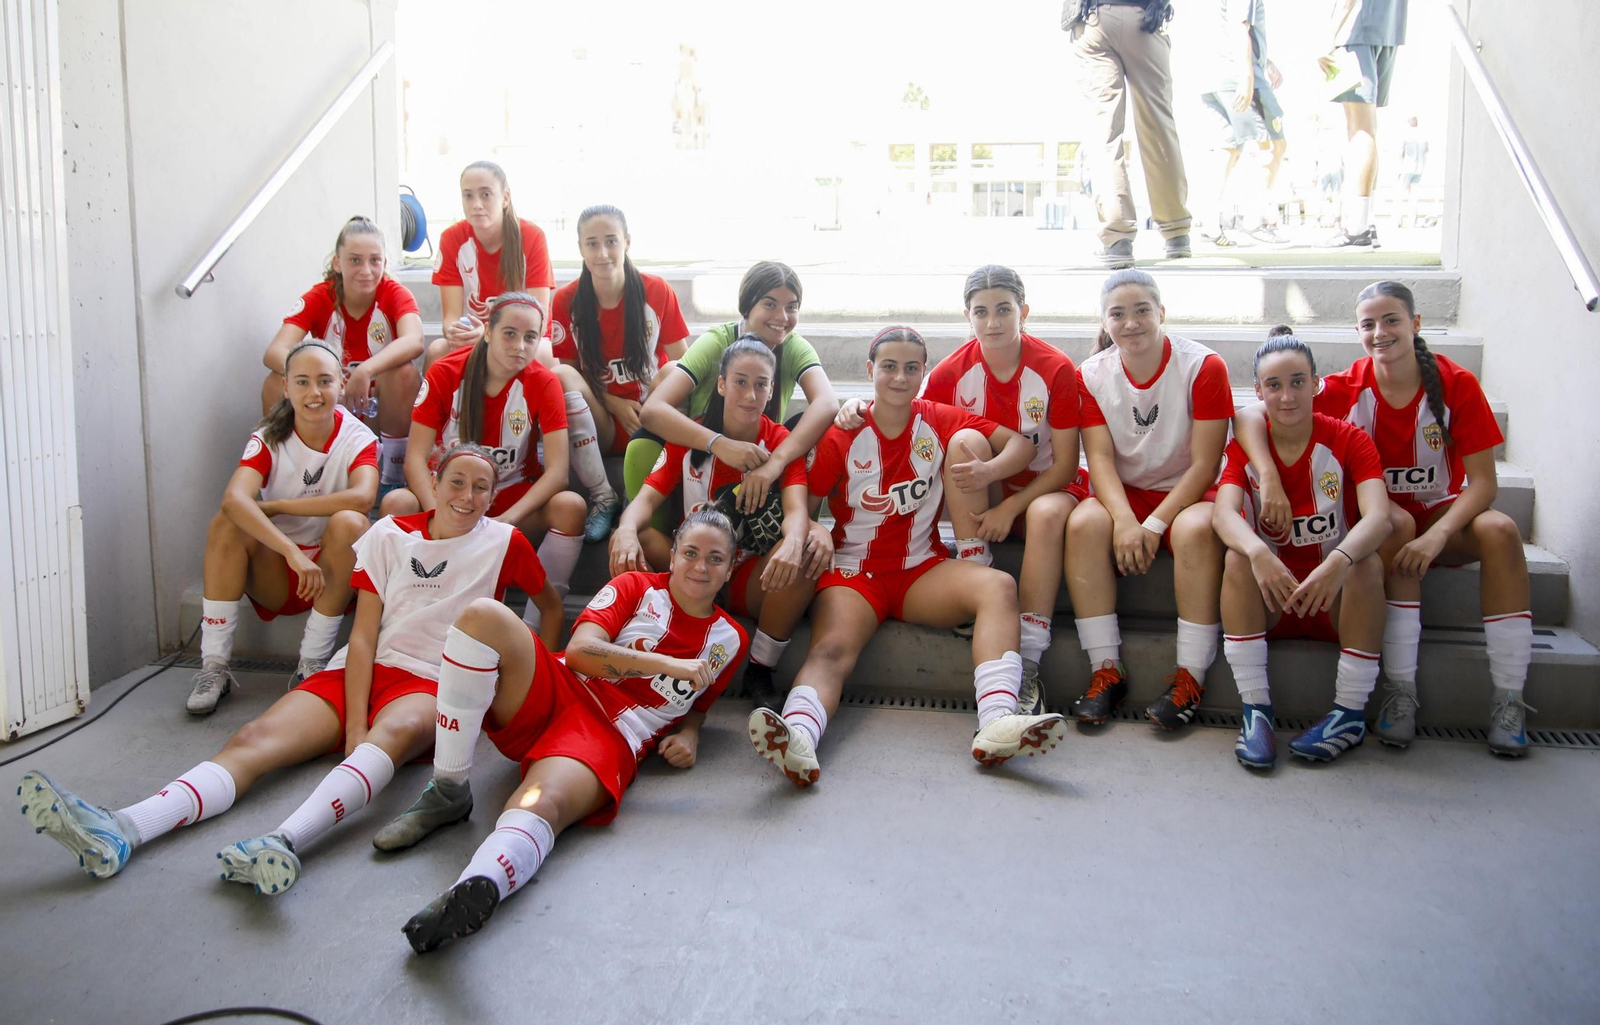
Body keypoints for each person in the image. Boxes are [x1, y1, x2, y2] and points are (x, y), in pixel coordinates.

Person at [18, 445, 563, 892]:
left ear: (494, 496)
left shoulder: (504, 541)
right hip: (364, 668)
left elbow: (551, 607)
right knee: (254, 738)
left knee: (392, 734)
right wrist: (354, 722)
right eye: (457, 482)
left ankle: (282, 843)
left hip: (431, 683)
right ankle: (123, 828)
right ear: (435, 484)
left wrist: (536, 678)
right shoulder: (390, 534)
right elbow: (364, 633)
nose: (468, 496)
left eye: (482, 487)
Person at [384, 510, 747, 954]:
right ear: (672, 556)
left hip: (610, 735)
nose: (701, 567)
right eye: (690, 553)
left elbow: (699, 703)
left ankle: (478, 885)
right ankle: (448, 788)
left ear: (731, 568)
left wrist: (690, 733)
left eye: (715, 559)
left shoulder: (730, 640)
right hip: (558, 688)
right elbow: (579, 653)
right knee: (482, 616)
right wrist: (666, 664)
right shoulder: (634, 587)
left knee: (543, 801)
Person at [748, 327, 1068, 788]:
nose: (900, 377)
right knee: (831, 648)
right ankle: (798, 736)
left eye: (911, 368)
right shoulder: (844, 432)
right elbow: (807, 505)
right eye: (889, 367)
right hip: (855, 573)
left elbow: (1022, 444)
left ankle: (998, 721)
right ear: (869, 370)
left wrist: (988, 470)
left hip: (921, 571)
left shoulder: (938, 418)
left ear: (924, 373)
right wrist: (815, 531)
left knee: (999, 585)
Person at [1235, 281, 1533, 755]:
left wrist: (1438, 536)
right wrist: (1268, 474)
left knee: (1501, 529)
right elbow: (1254, 415)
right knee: (1394, 522)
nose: (1380, 332)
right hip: (1381, 524)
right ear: (1357, 332)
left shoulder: (1456, 384)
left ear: (1416, 324)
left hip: (1438, 517)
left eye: (1391, 320)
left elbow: (1484, 485)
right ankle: (1400, 690)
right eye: (1368, 324)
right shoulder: (1345, 387)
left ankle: (1509, 699)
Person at [834, 266, 1086, 715]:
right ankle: (975, 563)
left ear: (1024, 312)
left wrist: (1011, 505)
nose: (993, 322)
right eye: (981, 312)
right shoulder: (951, 372)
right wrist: (855, 405)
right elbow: (912, 418)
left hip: (1044, 488)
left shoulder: (1055, 367)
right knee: (965, 440)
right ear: (967, 316)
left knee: (1046, 515)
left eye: (1004, 310)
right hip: (979, 496)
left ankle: (1028, 663)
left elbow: (1066, 465)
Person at [611, 338, 829, 710]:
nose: (750, 394)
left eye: (761, 384)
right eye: (740, 382)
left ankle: (760, 668)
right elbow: (644, 502)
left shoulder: (780, 442)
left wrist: (795, 539)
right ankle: (639, 641)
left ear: (771, 391)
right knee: (634, 537)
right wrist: (626, 530)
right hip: (692, 567)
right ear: (722, 384)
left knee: (804, 550)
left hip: (748, 576)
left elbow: (796, 511)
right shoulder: (691, 435)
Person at [1213, 334, 1393, 768]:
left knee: (1366, 563)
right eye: (1274, 385)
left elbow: (1379, 518)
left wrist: (1338, 561)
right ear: (1259, 392)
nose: (1287, 396)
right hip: (1274, 600)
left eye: (1297, 382)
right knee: (1238, 556)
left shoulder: (1349, 439)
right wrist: (1259, 552)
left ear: (1316, 383)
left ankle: (1349, 715)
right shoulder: (1245, 448)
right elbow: (1223, 515)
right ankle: (1256, 711)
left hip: (1332, 599)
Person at [1065, 270, 1230, 729]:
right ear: (1104, 321)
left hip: (1188, 492)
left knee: (1196, 530)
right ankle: (1106, 670)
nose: (1131, 323)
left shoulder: (1203, 366)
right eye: (1117, 314)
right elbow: (1099, 459)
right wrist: (1123, 520)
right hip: (1126, 492)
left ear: (1162, 313)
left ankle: (1190, 677)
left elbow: (1206, 464)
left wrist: (1153, 525)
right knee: (1083, 524)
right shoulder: (1091, 374)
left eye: (1142, 311)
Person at [190, 340, 379, 714]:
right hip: (280, 571)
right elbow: (234, 499)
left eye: (324, 381)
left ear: (342, 383)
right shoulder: (269, 436)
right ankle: (214, 666)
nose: (314, 392)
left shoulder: (357, 436)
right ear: (286, 388)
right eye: (303, 382)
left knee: (350, 522)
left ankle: (312, 663)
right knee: (227, 523)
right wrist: (290, 551)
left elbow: (362, 497)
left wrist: (276, 506)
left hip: (331, 574)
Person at [382, 294, 585, 625]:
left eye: (530, 337)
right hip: (448, 495)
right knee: (396, 503)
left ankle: (533, 626)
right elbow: (415, 459)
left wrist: (503, 522)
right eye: (509, 333)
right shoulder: (446, 372)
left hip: (508, 496)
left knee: (571, 506)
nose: (519, 346)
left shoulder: (544, 382)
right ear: (488, 331)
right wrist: (440, 514)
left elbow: (558, 473)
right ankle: (398, 617)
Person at [634, 261, 839, 525]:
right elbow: (652, 411)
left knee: (822, 426)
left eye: (792, 307)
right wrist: (720, 444)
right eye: (770, 304)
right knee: (668, 376)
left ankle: (801, 522)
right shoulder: (716, 341)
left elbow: (827, 403)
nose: (782, 317)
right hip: (704, 449)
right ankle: (649, 519)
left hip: (759, 455)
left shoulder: (793, 346)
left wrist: (774, 464)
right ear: (748, 305)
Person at [548, 205, 690, 542]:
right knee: (560, 376)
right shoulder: (566, 300)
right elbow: (571, 372)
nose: (602, 253)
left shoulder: (656, 290)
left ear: (626, 243)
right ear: (580, 248)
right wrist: (612, 402)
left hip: (649, 416)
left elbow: (686, 365)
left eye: (611, 241)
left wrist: (651, 407)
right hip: (602, 421)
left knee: (673, 370)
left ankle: (641, 492)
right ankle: (602, 495)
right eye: (592, 243)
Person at [260, 216, 422, 493]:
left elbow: (415, 340)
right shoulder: (320, 296)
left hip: (378, 406)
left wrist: (365, 370)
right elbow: (274, 352)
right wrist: (321, 379)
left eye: (375, 260)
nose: (366, 270)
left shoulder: (395, 293)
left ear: (384, 262)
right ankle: (281, 474)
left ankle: (392, 479)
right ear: (338, 263)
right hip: (331, 402)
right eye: (355, 260)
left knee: (403, 373)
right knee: (276, 383)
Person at [1062, 0, 1192, 268]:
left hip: (1095, 19)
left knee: (1104, 133)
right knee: (1158, 126)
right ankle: (1176, 231)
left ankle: (1117, 237)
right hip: (1145, 17)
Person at [425, 161, 555, 368]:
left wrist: (491, 335)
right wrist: (457, 332)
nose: (476, 204)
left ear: (505, 198)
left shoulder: (532, 237)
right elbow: (450, 318)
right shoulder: (451, 239)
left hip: (524, 338)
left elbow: (539, 317)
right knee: (437, 351)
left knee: (547, 355)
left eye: (486, 194)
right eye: (468, 196)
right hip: (476, 336)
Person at [1319, 0, 1409, 248]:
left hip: (1356, 31)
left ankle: (1357, 229)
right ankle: (1366, 222)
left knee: (1359, 130)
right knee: (1368, 129)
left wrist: (1329, 37)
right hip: (1388, 31)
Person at [1198, 0, 1289, 246]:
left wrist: (1266, 62)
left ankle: (1209, 224)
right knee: (1272, 145)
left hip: (1214, 76)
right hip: (1238, 76)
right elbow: (1240, 27)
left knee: (1228, 149)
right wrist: (1248, 76)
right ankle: (1254, 221)